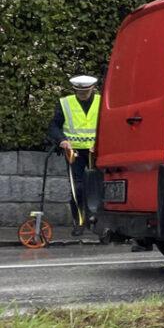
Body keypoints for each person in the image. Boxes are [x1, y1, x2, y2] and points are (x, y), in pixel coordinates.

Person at [47, 74, 99, 236]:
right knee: (77, 187)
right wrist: (62, 140)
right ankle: (79, 222)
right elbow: (54, 126)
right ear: (74, 89)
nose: (82, 94)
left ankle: (99, 223)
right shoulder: (65, 103)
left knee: (98, 187)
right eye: (79, 91)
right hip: (73, 151)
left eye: (85, 91)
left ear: (92, 89)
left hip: (95, 151)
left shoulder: (101, 102)